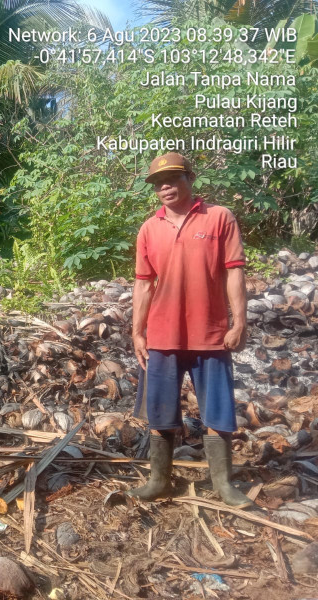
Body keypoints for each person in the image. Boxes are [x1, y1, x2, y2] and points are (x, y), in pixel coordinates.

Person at [130, 153, 251, 508]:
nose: (165, 187)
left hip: (211, 335)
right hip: (161, 336)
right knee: (159, 411)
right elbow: (143, 284)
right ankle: (158, 481)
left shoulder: (219, 217)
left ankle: (223, 484)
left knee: (218, 411)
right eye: (158, 182)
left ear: (190, 178)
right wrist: (137, 332)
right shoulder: (149, 229)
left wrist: (239, 322)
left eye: (172, 179)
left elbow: (234, 271)